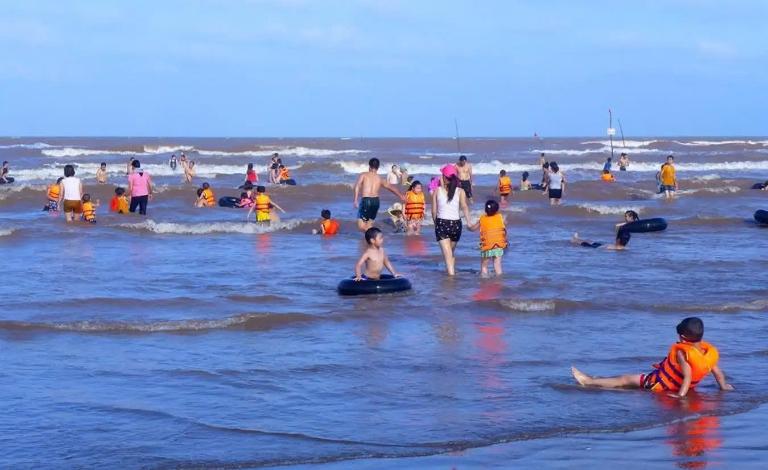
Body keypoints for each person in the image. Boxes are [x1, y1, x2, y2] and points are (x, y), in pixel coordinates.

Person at [571, 317, 734, 398]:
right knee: (624, 381)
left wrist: (681, 396)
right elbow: (717, 373)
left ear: (682, 337)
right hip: (674, 384)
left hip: (657, 384)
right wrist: (723, 386)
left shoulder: (682, 352)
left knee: (624, 380)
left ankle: (589, 382)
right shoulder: (706, 353)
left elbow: (688, 375)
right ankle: (597, 379)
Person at [432, 164, 473, 276]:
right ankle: (451, 272)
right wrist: (469, 222)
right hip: (456, 225)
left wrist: (436, 225)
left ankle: (451, 278)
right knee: (450, 253)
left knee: (448, 254)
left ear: (445, 177)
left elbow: (434, 211)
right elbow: (464, 207)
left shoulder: (437, 191)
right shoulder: (460, 191)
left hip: (442, 223)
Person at [353, 158, 405, 231]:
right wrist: (400, 195)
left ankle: (375, 235)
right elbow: (391, 187)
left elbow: (357, 186)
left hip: (366, 201)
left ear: (369, 166)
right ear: (378, 168)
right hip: (376, 202)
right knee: (369, 224)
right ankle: (371, 239)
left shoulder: (364, 175)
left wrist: (355, 200)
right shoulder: (380, 178)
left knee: (361, 226)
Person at [467, 199, 507, 277]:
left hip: (487, 247)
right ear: (497, 210)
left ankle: (484, 279)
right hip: (498, 246)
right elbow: (504, 225)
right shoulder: (500, 217)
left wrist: (469, 227)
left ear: (485, 209)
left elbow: (473, 228)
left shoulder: (482, 219)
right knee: (497, 265)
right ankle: (499, 280)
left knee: (484, 265)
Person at [571, 210, 638, 250]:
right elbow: (617, 227)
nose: (625, 218)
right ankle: (576, 239)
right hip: (612, 246)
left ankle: (575, 239)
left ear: (631, 217)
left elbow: (618, 227)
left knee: (588, 245)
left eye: (626, 216)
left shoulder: (631, 226)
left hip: (611, 247)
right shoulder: (627, 227)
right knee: (592, 242)